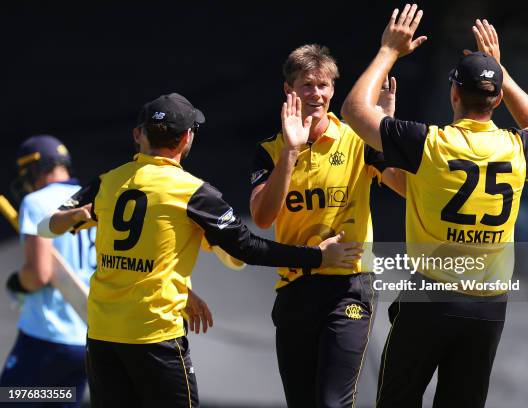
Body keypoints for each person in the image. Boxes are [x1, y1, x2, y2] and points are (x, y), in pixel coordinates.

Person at [40, 92, 362, 408]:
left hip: (103, 338)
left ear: (139, 136)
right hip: (155, 337)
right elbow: (246, 249)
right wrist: (317, 257)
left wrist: (83, 214)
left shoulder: (107, 183)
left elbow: (47, 226)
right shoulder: (192, 192)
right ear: (186, 139)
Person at [342, 5, 528, 408]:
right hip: (488, 307)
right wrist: (499, 72)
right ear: (495, 100)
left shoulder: (431, 144)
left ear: (454, 92)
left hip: (430, 298)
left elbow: (353, 110)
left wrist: (389, 49)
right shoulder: (515, 149)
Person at [249, 44, 404, 408]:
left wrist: (387, 133)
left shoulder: (358, 140)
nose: (316, 93)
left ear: (334, 90)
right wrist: (290, 150)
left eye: (323, 85)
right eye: (306, 85)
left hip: (348, 287)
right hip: (296, 286)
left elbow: (404, 186)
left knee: (332, 402)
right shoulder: (270, 150)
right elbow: (262, 217)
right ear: (289, 91)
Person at [1, 135, 96, 407]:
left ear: (35, 169)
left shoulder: (36, 202)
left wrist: (17, 283)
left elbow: (38, 275)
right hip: (86, 340)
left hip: (46, 338)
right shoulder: (93, 200)